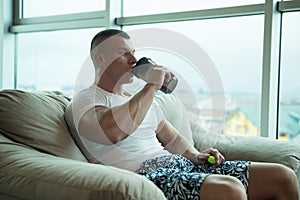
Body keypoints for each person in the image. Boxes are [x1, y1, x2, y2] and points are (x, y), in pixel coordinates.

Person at [65, 29, 299, 200]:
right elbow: (113, 132)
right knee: (229, 189)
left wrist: (197, 155)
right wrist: (151, 86)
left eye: (134, 52)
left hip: (180, 166)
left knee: (282, 176)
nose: (134, 60)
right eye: (124, 53)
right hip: (146, 177)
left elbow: (173, 139)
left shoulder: (140, 99)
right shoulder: (86, 99)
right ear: (99, 58)